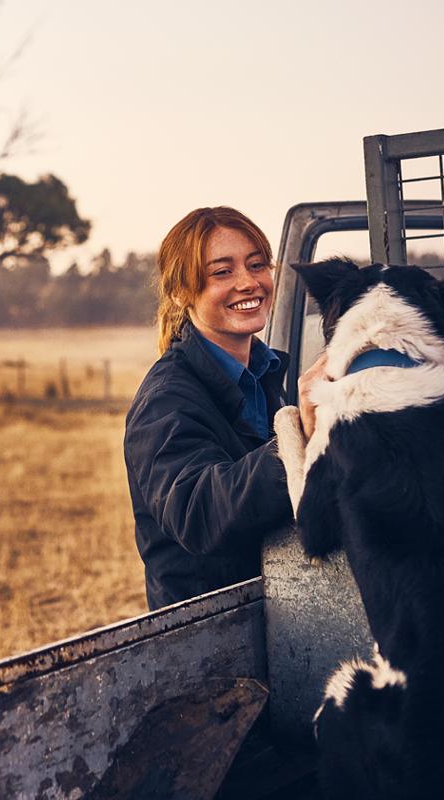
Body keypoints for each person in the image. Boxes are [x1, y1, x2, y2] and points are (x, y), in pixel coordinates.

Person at [125, 206, 317, 609]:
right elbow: (199, 513)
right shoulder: (164, 399)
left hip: (275, 611)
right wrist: (298, 441)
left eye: (256, 264)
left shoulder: (265, 372)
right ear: (181, 292)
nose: (249, 283)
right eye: (222, 272)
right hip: (211, 633)